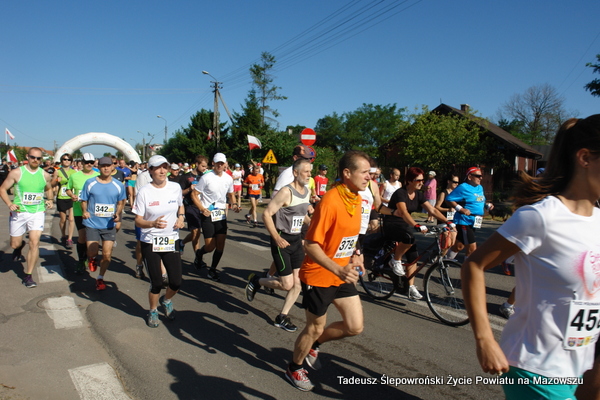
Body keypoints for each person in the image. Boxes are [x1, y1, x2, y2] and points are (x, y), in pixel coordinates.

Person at [462, 115, 600, 399]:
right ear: (585, 158)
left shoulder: (598, 220)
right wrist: (484, 339)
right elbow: (474, 264)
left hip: (577, 368)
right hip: (534, 368)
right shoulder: (542, 217)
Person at [285, 150, 370, 392]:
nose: (369, 177)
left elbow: (350, 235)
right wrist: (338, 269)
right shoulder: (331, 201)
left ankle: (314, 345)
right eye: (364, 172)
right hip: (319, 275)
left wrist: (356, 254)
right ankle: (294, 367)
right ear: (347, 173)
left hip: (342, 273)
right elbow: (311, 245)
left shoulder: (356, 198)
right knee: (314, 327)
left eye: (370, 173)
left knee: (354, 326)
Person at [245, 158, 312, 332]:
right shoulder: (285, 192)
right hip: (282, 240)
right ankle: (257, 281)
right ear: (296, 173)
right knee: (287, 284)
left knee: (297, 284)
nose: (309, 175)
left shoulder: (307, 191)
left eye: (310, 171)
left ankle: (282, 317)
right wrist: (275, 237)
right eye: (306, 171)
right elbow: (266, 214)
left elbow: (301, 214)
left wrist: (312, 224)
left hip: (296, 240)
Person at [383, 167, 454, 300]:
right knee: (408, 238)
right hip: (392, 223)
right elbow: (403, 212)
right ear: (409, 181)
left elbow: (432, 210)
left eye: (422, 180)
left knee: (413, 255)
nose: (422, 182)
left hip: (405, 224)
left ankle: (410, 287)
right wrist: (416, 225)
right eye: (418, 180)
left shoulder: (419, 195)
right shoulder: (400, 193)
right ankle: (395, 260)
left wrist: (447, 222)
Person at [133, 155, 184, 328]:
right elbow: (138, 221)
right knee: (156, 282)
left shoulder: (175, 187)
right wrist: (152, 224)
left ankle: (166, 300)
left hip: (171, 239)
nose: (162, 171)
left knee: (176, 282)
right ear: (150, 170)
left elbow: (180, 205)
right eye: (157, 168)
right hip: (150, 240)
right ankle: (153, 310)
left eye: (164, 167)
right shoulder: (144, 192)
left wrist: (181, 217)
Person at [0, 147, 54, 288]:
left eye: (38, 158)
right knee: (14, 244)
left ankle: (28, 276)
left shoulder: (44, 175)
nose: (35, 160)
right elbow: (2, 189)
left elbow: (49, 188)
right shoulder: (17, 173)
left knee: (34, 243)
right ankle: (19, 247)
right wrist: (9, 203)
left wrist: (50, 200)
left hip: (37, 212)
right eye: (32, 157)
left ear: (41, 160)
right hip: (19, 212)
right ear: (27, 157)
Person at [80, 156, 126, 290]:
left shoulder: (118, 185)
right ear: (99, 167)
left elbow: (121, 202)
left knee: (106, 255)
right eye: (103, 166)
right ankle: (91, 258)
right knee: (92, 251)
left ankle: (100, 278)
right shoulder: (90, 182)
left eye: (108, 166)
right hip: (92, 223)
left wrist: (118, 213)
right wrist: (85, 211)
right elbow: (83, 199)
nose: (106, 168)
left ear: (112, 167)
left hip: (109, 225)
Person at [192, 153, 239, 281]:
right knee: (210, 246)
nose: (220, 165)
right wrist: (202, 208)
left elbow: (231, 194)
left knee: (220, 245)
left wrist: (234, 204)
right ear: (213, 163)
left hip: (220, 214)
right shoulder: (206, 177)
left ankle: (212, 270)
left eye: (222, 163)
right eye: (217, 163)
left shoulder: (228, 178)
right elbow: (194, 194)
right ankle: (199, 254)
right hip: (207, 213)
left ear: (225, 164)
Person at [445, 167, 494, 259]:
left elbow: (480, 200)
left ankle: (444, 262)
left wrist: (487, 205)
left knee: (459, 246)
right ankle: (468, 268)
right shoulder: (463, 187)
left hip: (474, 221)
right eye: (478, 176)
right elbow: (449, 199)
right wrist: (460, 209)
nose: (481, 178)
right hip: (464, 220)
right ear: (470, 177)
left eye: (481, 176)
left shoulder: (480, 187)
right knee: (472, 249)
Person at [65, 153, 100, 273]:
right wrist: (72, 195)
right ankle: (81, 260)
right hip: (79, 210)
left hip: (94, 211)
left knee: (93, 237)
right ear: (82, 163)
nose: (89, 164)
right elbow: (68, 189)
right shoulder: (75, 176)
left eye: (91, 162)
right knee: (82, 236)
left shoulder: (98, 176)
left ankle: (91, 257)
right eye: (87, 162)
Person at [181, 155, 209, 253]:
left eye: (206, 166)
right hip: (190, 206)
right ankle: (198, 256)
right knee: (196, 232)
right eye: (203, 166)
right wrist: (189, 189)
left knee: (197, 233)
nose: (205, 168)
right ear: (197, 164)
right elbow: (180, 192)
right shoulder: (186, 177)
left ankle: (182, 243)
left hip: (203, 206)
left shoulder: (205, 177)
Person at [53, 153, 76, 249]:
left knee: (71, 219)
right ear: (61, 161)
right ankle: (63, 235)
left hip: (71, 197)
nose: (66, 161)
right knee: (63, 220)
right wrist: (56, 180)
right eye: (64, 159)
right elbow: (51, 183)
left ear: (71, 161)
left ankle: (69, 239)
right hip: (61, 197)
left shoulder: (74, 172)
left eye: (68, 159)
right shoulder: (57, 171)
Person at [435, 174, 460, 253]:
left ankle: (443, 256)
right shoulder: (443, 193)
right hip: (443, 220)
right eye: (454, 182)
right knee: (446, 243)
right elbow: (437, 207)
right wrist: (448, 209)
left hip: (453, 220)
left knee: (452, 242)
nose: (456, 184)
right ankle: (440, 257)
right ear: (448, 181)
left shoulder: (456, 194)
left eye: (458, 182)